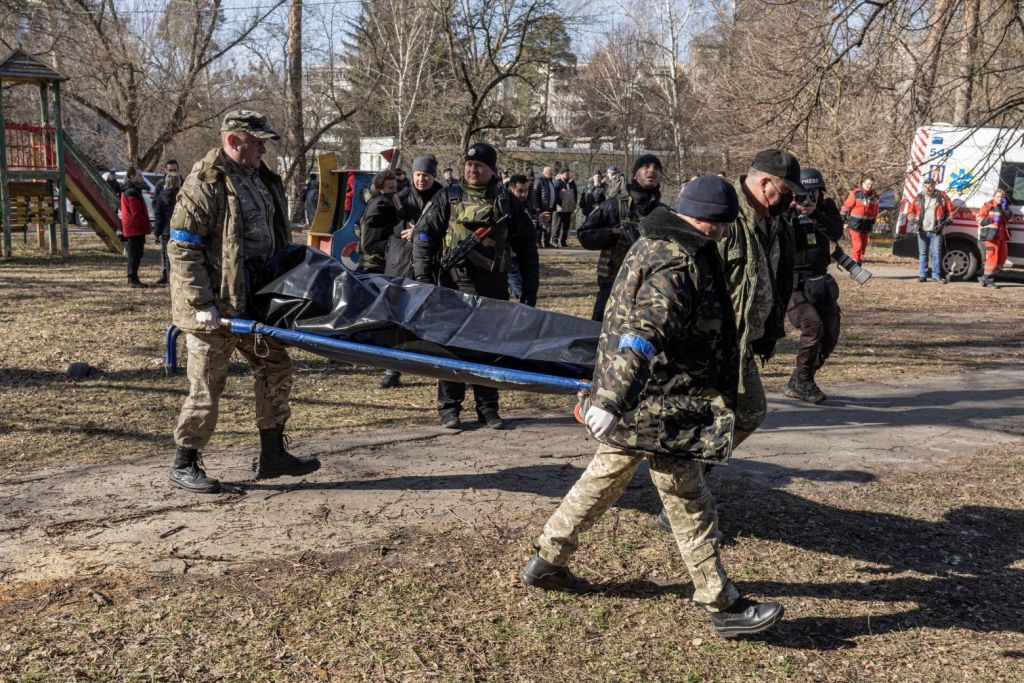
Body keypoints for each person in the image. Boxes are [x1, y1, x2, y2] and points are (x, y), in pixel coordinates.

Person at [521, 176, 785, 638]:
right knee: (688, 500)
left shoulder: (653, 242)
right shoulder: (677, 263)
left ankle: (547, 558)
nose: (725, 234)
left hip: (646, 398)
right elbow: (643, 334)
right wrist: (611, 399)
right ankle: (721, 603)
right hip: (663, 401)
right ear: (705, 220)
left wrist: (613, 396)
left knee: (603, 478)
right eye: (722, 226)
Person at [166, 109, 320, 493]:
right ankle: (184, 463)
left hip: (255, 302)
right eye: (257, 142)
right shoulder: (206, 183)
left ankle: (272, 456)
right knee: (207, 386)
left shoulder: (260, 179)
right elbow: (183, 248)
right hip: (213, 309)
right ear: (234, 141)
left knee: (276, 368)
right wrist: (202, 301)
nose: (263, 149)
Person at [652, 149, 799, 540]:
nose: (790, 199)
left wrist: (765, 333)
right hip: (713, 343)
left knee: (747, 411)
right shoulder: (721, 212)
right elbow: (687, 272)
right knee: (710, 420)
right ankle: (681, 503)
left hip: (741, 344)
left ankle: (684, 487)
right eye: (785, 190)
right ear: (765, 183)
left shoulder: (771, 222)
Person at [412, 142, 539, 430]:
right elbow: (423, 237)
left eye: (479, 165)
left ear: (491, 169)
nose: (472, 169)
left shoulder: (507, 202)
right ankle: (449, 408)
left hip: (493, 287)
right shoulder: (448, 197)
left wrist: (529, 289)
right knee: (451, 348)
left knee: (489, 349)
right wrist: (423, 280)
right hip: (452, 286)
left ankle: (488, 408)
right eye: (469, 164)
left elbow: (527, 248)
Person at [379, 154, 443, 389]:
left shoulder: (443, 197)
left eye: (425, 175)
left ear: (433, 175)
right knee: (398, 319)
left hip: (431, 266)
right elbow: (388, 224)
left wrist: (421, 231)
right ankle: (393, 368)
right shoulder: (401, 197)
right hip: (401, 265)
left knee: (433, 319)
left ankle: (441, 370)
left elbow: (447, 228)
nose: (421, 179)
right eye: (417, 174)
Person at [577, 154, 663, 322]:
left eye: (656, 168)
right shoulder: (613, 205)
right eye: (646, 166)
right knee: (599, 334)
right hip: (613, 286)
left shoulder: (663, 213)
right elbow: (584, 234)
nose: (651, 171)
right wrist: (610, 234)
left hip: (650, 289)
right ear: (634, 175)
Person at [784, 168, 844, 403]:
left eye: (814, 192)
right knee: (813, 326)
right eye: (804, 193)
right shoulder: (785, 211)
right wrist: (790, 212)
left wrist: (815, 212)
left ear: (820, 191)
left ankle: (800, 379)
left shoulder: (825, 207)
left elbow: (836, 232)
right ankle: (805, 382)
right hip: (794, 285)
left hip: (820, 282)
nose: (809, 197)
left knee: (829, 336)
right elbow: (777, 235)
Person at [906, 177, 953, 284]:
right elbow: (910, 212)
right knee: (923, 254)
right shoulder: (918, 198)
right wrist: (914, 222)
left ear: (934, 186)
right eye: (926, 187)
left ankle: (936, 276)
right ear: (923, 187)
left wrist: (949, 219)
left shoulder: (942, 197)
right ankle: (922, 276)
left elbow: (950, 210)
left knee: (936, 254)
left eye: (930, 186)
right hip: (922, 230)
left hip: (936, 230)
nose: (928, 189)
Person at [359, 169, 402, 274]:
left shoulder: (387, 204)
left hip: (384, 264)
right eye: (391, 188)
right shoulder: (378, 208)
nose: (394, 191)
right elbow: (369, 245)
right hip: (374, 267)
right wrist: (397, 245)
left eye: (396, 187)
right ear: (380, 189)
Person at [118, 166, 151, 288]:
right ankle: (132, 279)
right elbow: (136, 213)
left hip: (134, 228)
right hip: (134, 229)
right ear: (131, 176)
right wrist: (144, 226)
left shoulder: (132, 190)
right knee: (134, 254)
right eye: (139, 175)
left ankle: (134, 278)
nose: (141, 178)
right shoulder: (131, 192)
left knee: (136, 254)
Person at [507, 173, 537, 301]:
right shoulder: (506, 207)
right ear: (511, 189)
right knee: (520, 288)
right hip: (510, 255)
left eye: (526, 191)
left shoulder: (523, 205)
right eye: (520, 191)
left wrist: (536, 222)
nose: (524, 194)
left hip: (524, 253)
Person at [840, 175, 880, 264]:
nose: (869, 186)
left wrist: (873, 221)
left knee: (863, 248)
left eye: (871, 184)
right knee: (857, 246)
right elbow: (846, 207)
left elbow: (876, 210)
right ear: (863, 184)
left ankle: (858, 265)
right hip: (855, 225)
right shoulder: (855, 194)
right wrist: (842, 220)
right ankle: (854, 267)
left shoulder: (875, 197)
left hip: (866, 226)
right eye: (867, 184)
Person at [975, 188, 1010, 288]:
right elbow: (979, 219)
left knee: (1002, 257)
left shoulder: (1003, 207)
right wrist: (992, 219)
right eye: (998, 196)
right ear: (994, 197)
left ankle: (984, 277)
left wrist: (1005, 209)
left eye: (1002, 197)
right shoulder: (988, 205)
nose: (1000, 198)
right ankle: (989, 279)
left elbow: (1009, 218)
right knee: (992, 258)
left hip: (1002, 236)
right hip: (991, 236)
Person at [151, 172, 181, 286]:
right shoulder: (181, 195)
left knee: (166, 254)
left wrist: (156, 232)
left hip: (166, 229)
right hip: (179, 229)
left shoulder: (162, 196)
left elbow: (158, 215)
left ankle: (167, 276)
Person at [551, 167, 578, 247]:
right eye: (566, 173)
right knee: (557, 224)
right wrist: (558, 203)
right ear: (561, 174)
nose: (567, 175)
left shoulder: (572, 183)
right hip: (559, 207)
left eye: (568, 173)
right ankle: (554, 241)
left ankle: (563, 241)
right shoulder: (557, 182)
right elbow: (554, 194)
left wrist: (574, 203)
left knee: (566, 226)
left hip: (569, 207)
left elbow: (575, 194)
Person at [530, 166, 556, 248]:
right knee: (540, 225)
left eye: (551, 172)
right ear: (545, 173)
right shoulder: (539, 180)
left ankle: (547, 242)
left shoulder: (551, 181)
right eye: (550, 172)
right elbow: (535, 194)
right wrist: (537, 206)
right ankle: (538, 242)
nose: (552, 173)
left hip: (549, 207)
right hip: (541, 208)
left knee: (547, 226)